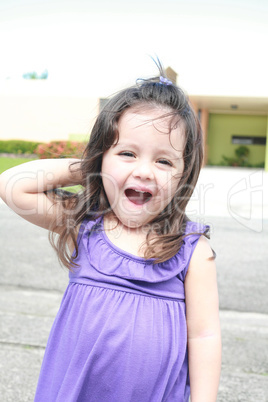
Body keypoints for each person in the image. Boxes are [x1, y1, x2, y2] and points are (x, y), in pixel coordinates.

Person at [0, 63, 221, 402]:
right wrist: (92, 168)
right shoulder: (85, 227)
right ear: (102, 157)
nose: (144, 171)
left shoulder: (192, 249)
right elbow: (13, 186)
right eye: (127, 153)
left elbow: (204, 336)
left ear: (182, 175)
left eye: (164, 161)